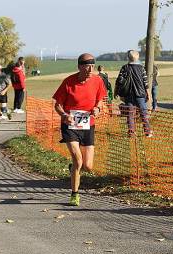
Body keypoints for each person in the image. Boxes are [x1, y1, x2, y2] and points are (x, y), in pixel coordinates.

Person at [53, 53, 106, 206]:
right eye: (87, 66)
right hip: (70, 125)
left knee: (88, 166)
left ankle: (74, 169)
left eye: (93, 66)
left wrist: (97, 108)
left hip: (88, 125)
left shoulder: (97, 81)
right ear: (79, 66)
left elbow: (100, 101)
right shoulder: (68, 82)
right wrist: (64, 115)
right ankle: (74, 194)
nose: (90, 69)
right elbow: (57, 105)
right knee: (78, 160)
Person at [114, 50, 153, 137]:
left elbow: (119, 81)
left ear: (128, 57)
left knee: (130, 114)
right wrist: (149, 95)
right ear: (138, 57)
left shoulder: (124, 67)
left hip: (128, 95)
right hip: (140, 95)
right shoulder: (141, 68)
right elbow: (145, 83)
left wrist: (115, 91)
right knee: (144, 113)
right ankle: (148, 132)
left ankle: (131, 132)